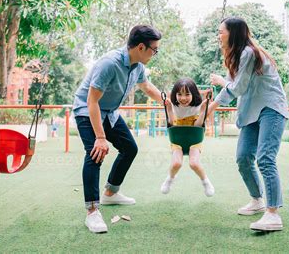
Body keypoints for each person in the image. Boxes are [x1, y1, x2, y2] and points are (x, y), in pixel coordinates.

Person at [73, 25, 164, 233]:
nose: (155, 54)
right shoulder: (110, 64)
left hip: (110, 112)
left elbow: (147, 87)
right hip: (88, 110)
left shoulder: (137, 65)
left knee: (129, 148)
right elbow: (91, 101)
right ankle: (92, 211)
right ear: (141, 47)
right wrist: (100, 137)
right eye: (154, 50)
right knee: (96, 154)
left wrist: (166, 102)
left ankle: (111, 193)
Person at [208, 17, 289, 231]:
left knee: (265, 158)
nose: (218, 36)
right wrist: (223, 86)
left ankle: (273, 214)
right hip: (251, 112)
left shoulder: (249, 53)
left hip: (271, 109)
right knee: (243, 158)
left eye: (221, 32)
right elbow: (237, 87)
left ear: (233, 33)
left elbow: (237, 88)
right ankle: (257, 200)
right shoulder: (235, 57)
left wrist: (211, 107)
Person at [161, 78, 215, 197]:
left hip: (194, 140)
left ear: (193, 94)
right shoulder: (173, 106)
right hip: (177, 139)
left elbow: (197, 126)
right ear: (175, 94)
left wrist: (202, 112)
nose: (183, 98)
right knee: (176, 163)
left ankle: (206, 182)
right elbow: (171, 123)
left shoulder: (198, 106)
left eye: (187, 94)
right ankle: (170, 179)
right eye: (179, 94)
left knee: (194, 163)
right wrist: (169, 109)